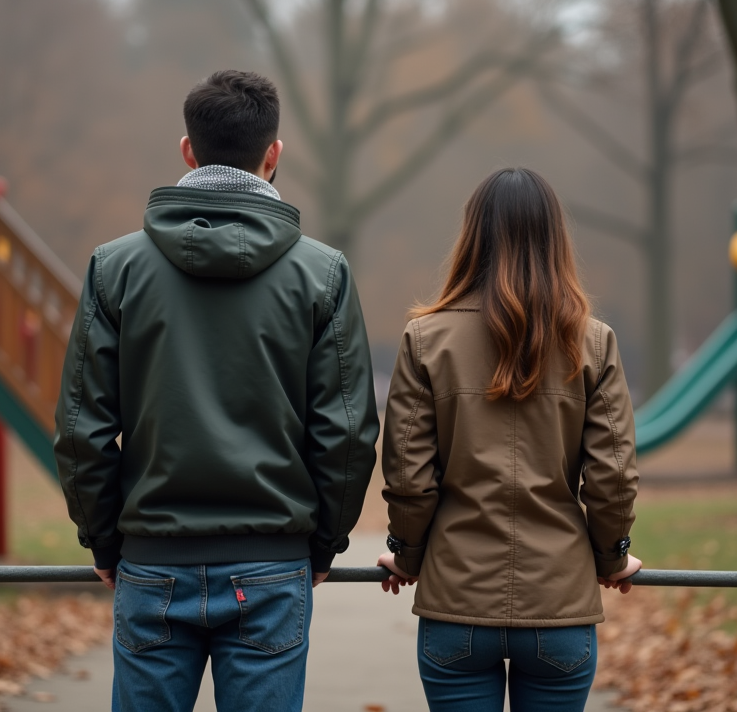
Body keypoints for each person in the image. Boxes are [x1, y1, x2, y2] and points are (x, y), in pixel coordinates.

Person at [54, 69, 379, 712]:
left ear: (187, 150)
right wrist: (320, 545)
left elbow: (81, 429)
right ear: (273, 155)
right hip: (271, 565)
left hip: (152, 563)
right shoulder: (323, 274)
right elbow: (346, 434)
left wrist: (108, 541)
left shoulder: (114, 268)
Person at [376, 167, 641, 712]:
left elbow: (408, 473)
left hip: (456, 605)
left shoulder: (425, 338)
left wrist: (408, 553)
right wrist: (612, 558)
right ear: (555, 239)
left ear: (473, 236)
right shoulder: (592, 342)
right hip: (559, 607)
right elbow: (612, 475)